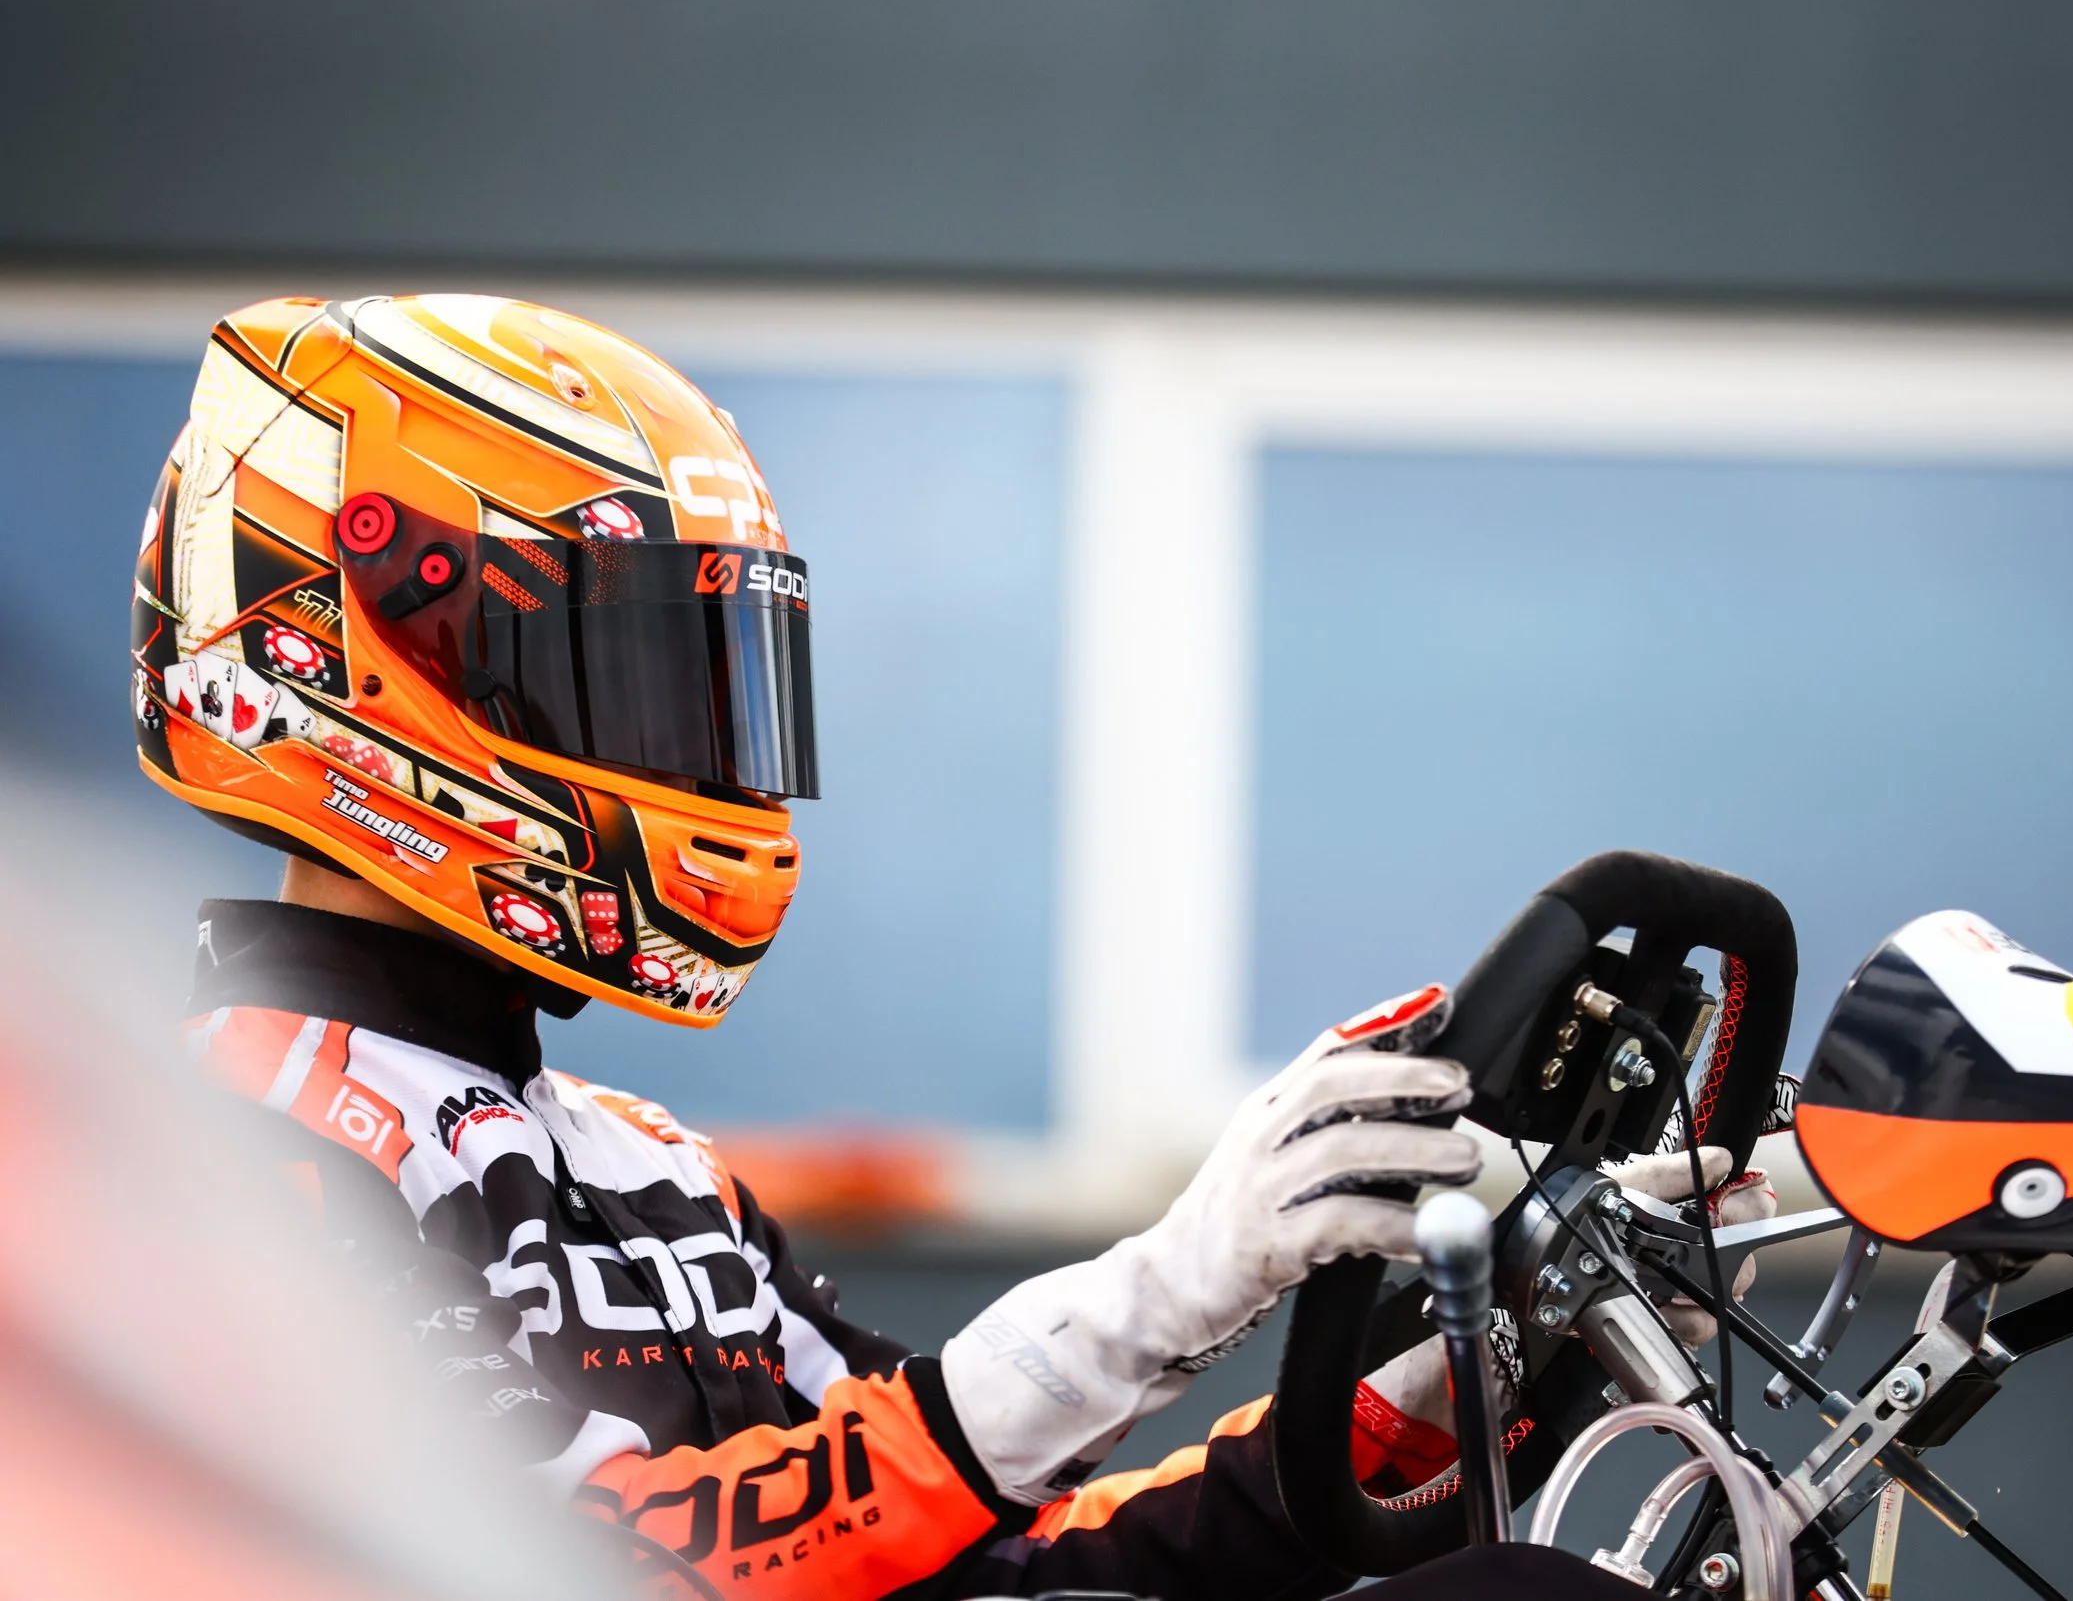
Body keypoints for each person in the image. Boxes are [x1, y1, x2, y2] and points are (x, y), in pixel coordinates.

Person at [135, 294, 1768, 1599]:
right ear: (352, 654)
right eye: (616, 676)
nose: (689, 748)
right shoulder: (201, 1156)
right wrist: (1154, 1294)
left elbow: (990, 1549)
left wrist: (1480, 1367)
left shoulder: (651, 1170)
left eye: (706, 682)